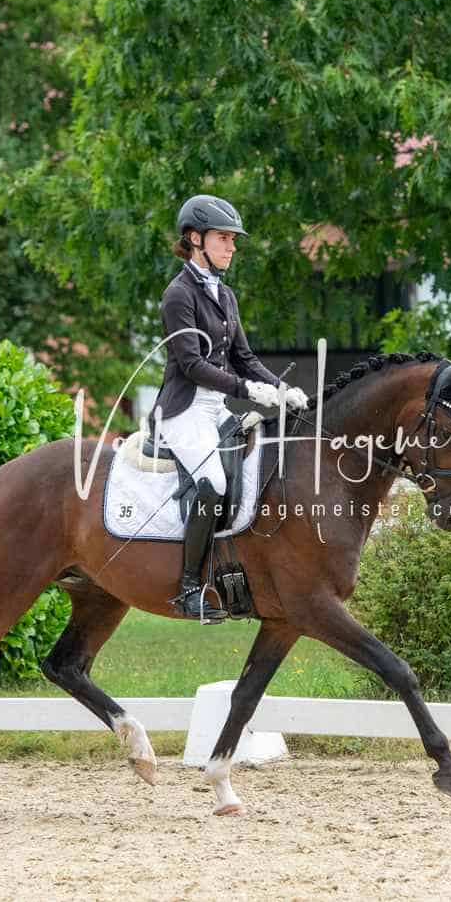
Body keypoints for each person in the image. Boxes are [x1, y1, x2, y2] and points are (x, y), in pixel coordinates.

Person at [152, 194, 309, 622]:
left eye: (233, 239)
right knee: (213, 483)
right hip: (183, 410)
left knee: (258, 469)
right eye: (223, 238)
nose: (232, 247)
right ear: (195, 239)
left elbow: (244, 356)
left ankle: (239, 572)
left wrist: (281, 389)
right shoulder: (178, 295)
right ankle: (188, 588)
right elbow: (191, 364)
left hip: (216, 407)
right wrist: (248, 390)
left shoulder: (225, 294)